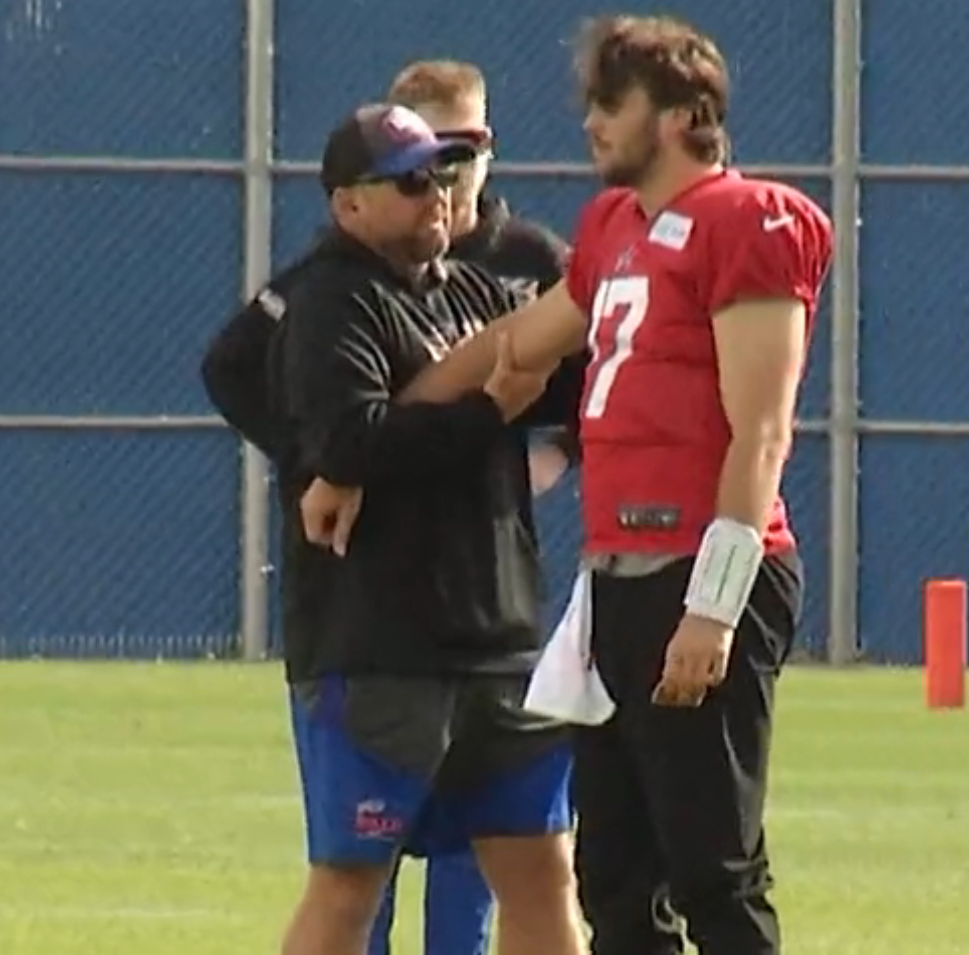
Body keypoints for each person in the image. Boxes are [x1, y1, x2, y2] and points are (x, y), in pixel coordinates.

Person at [298, 16, 834, 955]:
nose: (590, 123)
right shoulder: (615, 228)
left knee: (714, 865)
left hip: (700, 568)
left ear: (677, 115)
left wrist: (713, 608)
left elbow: (763, 432)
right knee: (614, 873)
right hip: (617, 577)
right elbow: (510, 346)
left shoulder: (748, 218)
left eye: (610, 103)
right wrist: (348, 456)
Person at [207, 101, 589, 955]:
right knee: (349, 883)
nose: (438, 194)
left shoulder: (478, 286)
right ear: (349, 206)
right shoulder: (331, 299)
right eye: (411, 180)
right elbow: (350, 439)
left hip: (499, 639)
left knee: (541, 870)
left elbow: (560, 382)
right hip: (382, 645)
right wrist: (489, 408)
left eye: (445, 173)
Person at [358, 58, 579, 955]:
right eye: (431, 149)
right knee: (362, 844)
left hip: (490, 586)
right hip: (380, 594)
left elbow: (588, 396)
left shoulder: (532, 263)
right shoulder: (362, 259)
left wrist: (540, 461)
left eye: (471, 146)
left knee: (488, 841)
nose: (450, 172)